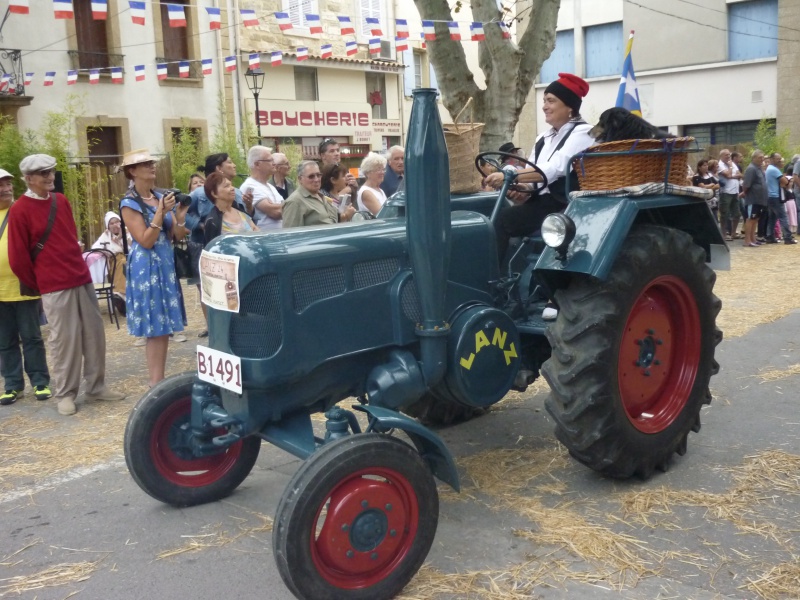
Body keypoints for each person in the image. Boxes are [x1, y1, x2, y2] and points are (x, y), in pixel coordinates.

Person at [9, 154, 125, 416]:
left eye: (50, 171)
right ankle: (65, 393)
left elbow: (69, 236)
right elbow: (18, 258)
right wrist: (41, 283)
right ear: (28, 178)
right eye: (43, 173)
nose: (50, 177)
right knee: (65, 340)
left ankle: (96, 386)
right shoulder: (19, 210)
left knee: (94, 334)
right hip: (54, 285)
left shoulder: (60, 201)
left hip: (80, 277)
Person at [484, 73, 593, 320]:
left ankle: (502, 288)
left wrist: (512, 177)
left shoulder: (583, 133)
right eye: (544, 100)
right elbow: (533, 175)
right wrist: (517, 186)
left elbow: (554, 169)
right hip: (543, 201)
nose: (545, 105)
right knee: (499, 217)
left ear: (570, 106)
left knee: (503, 222)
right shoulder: (543, 138)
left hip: (566, 203)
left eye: (551, 100)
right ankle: (500, 284)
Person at [119, 149, 190, 387]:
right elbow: (146, 240)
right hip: (147, 266)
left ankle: (158, 380)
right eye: (145, 164)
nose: (151, 166)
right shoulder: (129, 203)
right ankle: (155, 382)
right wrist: (161, 212)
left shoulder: (159, 196)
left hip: (165, 262)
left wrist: (179, 216)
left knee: (164, 325)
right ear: (132, 171)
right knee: (155, 326)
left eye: (151, 162)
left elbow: (176, 236)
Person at [186, 153, 252, 338]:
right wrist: (198, 225)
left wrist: (249, 206)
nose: (233, 164)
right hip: (209, 249)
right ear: (218, 168)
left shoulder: (237, 193)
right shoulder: (200, 194)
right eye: (228, 162)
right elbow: (182, 212)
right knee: (211, 293)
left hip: (244, 264)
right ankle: (215, 329)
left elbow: (250, 220)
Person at [0, 168, 51, 406]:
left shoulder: (21, 211)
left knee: (31, 338)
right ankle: (12, 386)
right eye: (1, 185)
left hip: (24, 286)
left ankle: (40, 382)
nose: (5, 189)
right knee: (5, 341)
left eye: (8, 184)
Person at [283, 161, 355, 228]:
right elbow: (291, 236)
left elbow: (331, 223)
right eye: (311, 176)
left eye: (318, 175)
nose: (316, 179)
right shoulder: (295, 202)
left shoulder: (322, 196)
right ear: (300, 179)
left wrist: (345, 215)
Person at [92, 211, 129, 315]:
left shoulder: (128, 231)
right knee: (120, 262)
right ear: (108, 226)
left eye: (117, 222)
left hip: (130, 261)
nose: (115, 225)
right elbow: (95, 248)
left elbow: (132, 246)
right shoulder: (106, 235)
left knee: (123, 261)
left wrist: (121, 237)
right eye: (111, 223)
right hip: (113, 262)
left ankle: (120, 294)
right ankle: (120, 295)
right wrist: (108, 252)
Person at [203, 172, 258, 243]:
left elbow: (257, 233)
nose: (232, 188)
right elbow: (211, 249)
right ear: (214, 193)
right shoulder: (213, 221)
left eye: (231, 185)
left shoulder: (241, 212)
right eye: (226, 186)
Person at [240, 145, 284, 230]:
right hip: (264, 239)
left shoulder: (271, 187)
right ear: (257, 164)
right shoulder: (250, 186)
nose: (274, 163)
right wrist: (284, 206)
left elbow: (284, 208)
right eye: (270, 160)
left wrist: (280, 206)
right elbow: (275, 212)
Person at [764, 152, 795, 244]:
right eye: (778, 158)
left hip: (770, 196)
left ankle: (770, 236)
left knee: (772, 217)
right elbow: (785, 182)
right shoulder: (774, 170)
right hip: (775, 196)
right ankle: (788, 238)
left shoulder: (770, 169)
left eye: (780, 158)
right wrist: (787, 180)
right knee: (783, 217)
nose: (780, 160)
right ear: (772, 159)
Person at [742, 150, 768, 248]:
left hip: (760, 199)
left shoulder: (759, 168)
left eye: (762, 157)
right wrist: (745, 192)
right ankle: (747, 240)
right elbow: (746, 185)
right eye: (759, 158)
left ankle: (753, 239)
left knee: (756, 219)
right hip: (753, 199)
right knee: (750, 219)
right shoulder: (751, 169)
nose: (762, 159)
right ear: (754, 158)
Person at [717, 149, 743, 241]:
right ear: (721, 156)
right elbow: (727, 175)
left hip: (735, 191)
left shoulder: (732, 163)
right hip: (726, 192)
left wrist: (732, 174)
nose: (728, 156)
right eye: (726, 155)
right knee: (725, 214)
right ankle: (724, 234)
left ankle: (733, 233)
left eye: (729, 154)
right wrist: (731, 167)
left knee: (737, 214)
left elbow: (740, 174)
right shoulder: (720, 165)